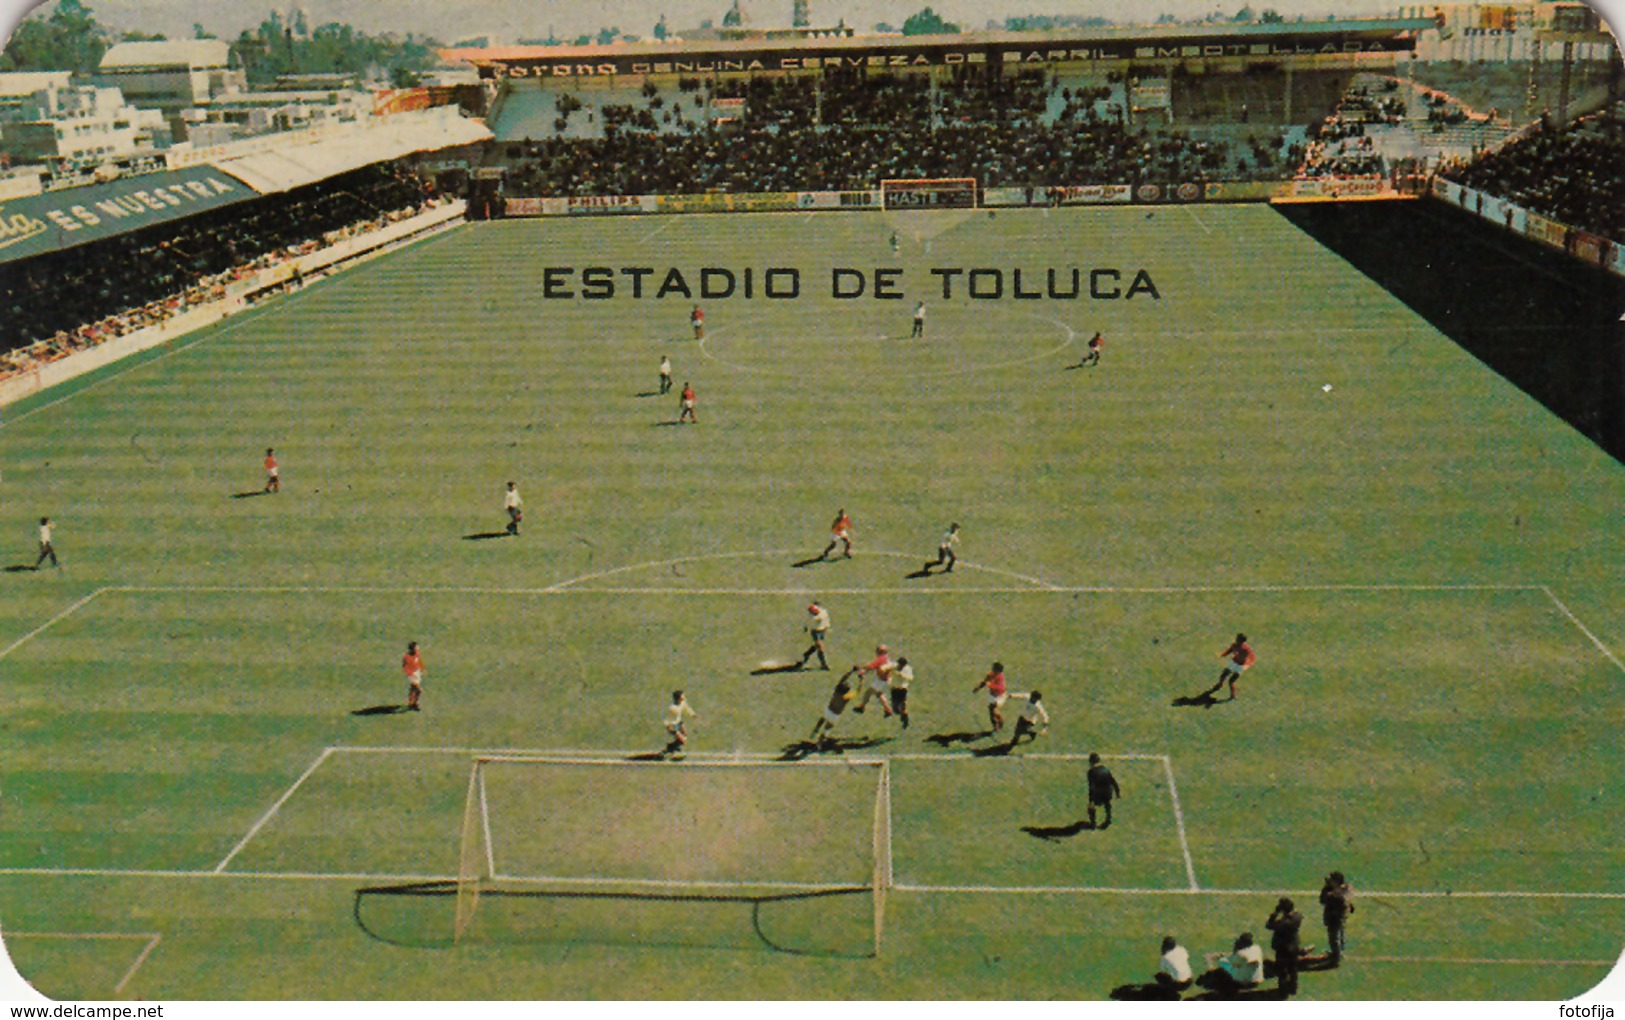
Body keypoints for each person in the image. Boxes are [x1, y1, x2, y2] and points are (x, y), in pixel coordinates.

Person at [809, 667, 858, 746]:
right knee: (827, 729)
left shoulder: (836, 691)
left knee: (823, 718)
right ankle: (819, 744)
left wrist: (851, 671)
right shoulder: (845, 698)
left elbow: (842, 679)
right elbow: (858, 691)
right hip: (835, 714)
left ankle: (815, 730)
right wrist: (862, 680)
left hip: (829, 709)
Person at [1265, 897, 1304, 995]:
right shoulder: (1297, 916)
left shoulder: (1283, 923)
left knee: (1282, 970)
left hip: (1283, 948)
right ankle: (1293, 987)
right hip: (1294, 946)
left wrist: (1275, 913)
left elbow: (1269, 925)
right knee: (1293, 969)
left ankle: (1283, 989)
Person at [1204, 632, 1255, 701]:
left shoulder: (1246, 649)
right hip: (1234, 662)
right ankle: (1219, 685)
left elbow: (1252, 658)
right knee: (1223, 675)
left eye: (1238, 639)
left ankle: (1233, 695)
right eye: (1237, 638)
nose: (1236, 640)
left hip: (1240, 666)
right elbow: (1230, 650)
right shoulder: (1234, 645)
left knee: (1231, 681)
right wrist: (1223, 654)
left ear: (1242, 641)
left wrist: (1247, 665)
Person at [1319, 871, 1354, 965]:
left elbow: (1324, 899)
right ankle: (1337, 952)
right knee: (1338, 934)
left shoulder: (1338, 893)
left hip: (1336, 917)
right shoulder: (1340, 889)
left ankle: (1336, 956)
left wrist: (1330, 891)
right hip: (1335, 916)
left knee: (1335, 937)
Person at [851, 644, 894, 716]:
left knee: (869, 693)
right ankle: (887, 710)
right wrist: (864, 671)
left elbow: (871, 666)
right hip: (885, 679)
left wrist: (862, 669)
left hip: (881, 681)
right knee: (878, 694)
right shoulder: (886, 658)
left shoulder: (880, 659)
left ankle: (862, 707)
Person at [1086, 752, 1121, 828]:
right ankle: (1108, 818)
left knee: (1091, 808)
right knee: (1107, 803)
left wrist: (1091, 800)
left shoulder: (1091, 772)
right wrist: (1117, 792)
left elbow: (1092, 787)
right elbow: (1113, 781)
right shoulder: (1105, 769)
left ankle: (1093, 823)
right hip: (1108, 792)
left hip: (1098, 794)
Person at [972, 661, 1008, 733]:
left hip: (999, 696)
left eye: (994, 668)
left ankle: (1001, 722)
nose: (992, 669)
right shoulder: (990, 675)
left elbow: (1000, 688)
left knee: (994, 711)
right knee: (991, 713)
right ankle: (996, 726)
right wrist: (978, 688)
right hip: (992, 696)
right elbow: (984, 682)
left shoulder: (1000, 677)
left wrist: (990, 685)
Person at [663, 689, 696, 757]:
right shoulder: (672, 708)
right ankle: (671, 747)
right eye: (682, 696)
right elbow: (669, 719)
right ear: (678, 698)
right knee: (682, 740)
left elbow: (686, 708)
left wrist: (693, 714)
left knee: (684, 735)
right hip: (672, 725)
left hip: (678, 723)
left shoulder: (682, 703)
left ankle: (672, 747)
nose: (684, 697)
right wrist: (669, 727)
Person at [799, 601, 831, 670]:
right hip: (815, 631)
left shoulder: (823, 613)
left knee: (817, 646)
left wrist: (827, 627)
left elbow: (826, 619)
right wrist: (806, 628)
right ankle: (824, 664)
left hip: (822, 629)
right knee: (820, 646)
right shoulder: (812, 618)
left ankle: (807, 654)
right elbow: (807, 623)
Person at [889, 656, 913, 729]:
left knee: (903, 705)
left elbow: (910, 678)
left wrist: (901, 675)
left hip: (902, 689)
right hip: (894, 689)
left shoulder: (907, 669)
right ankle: (902, 714)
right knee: (895, 709)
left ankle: (905, 719)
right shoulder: (893, 666)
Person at [402, 641, 424, 712]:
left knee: (413, 689)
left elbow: (418, 661)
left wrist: (422, 668)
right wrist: (410, 673)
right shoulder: (406, 657)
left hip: (417, 673)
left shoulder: (417, 654)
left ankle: (411, 702)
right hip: (411, 675)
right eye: (416, 647)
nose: (418, 648)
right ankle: (416, 703)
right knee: (419, 689)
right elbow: (405, 667)